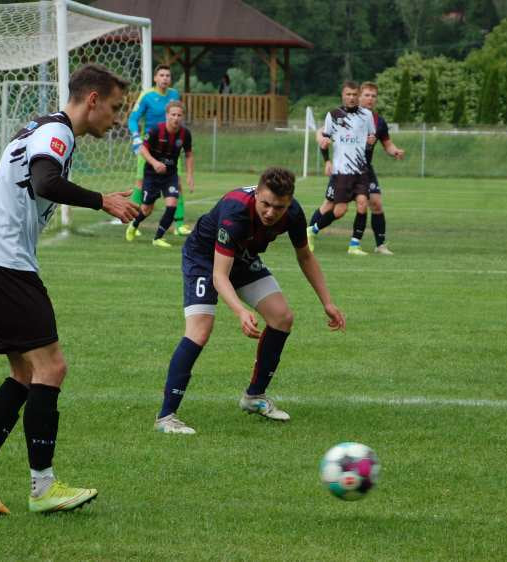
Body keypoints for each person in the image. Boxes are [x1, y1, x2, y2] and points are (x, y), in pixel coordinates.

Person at [0, 65, 139, 515]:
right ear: (91, 99)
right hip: (5, 263)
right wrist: (103, 200)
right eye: (114, 109)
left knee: (25, 373)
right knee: (51, 367)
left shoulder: (35, 127)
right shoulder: (57, 133)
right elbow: (45, 183)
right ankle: (43, 488)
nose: (115, 120)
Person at [154, 167, 346, 435]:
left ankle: (254, 397)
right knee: (200, 329)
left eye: (278, 207)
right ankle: (166, 417)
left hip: (242, 257)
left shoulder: (293, 213)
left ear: (288, 203)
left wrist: (327, 302)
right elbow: (220, 275)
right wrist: (240, 311)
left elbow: (305, 256)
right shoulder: (235, 211)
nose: (270, 212)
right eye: (265, 204)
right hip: (204, 258)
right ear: (257, 194)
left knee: (282, 317)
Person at [313, 82, 405, 255]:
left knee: (375, 203)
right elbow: (323, 131)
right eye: (367, 95)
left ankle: (378, 245)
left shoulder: (377, 120)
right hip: (343, 168)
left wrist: (395, 151)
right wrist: (321, 140)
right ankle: (309, 233)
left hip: (364, 168)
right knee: (330, 206)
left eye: (373, 96)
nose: (370, 99)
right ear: (359, 96)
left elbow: (387, 144)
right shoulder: (341, 114)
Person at [305, 81, 376, 255]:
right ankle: (312, 230)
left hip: (361, 170)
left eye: (354, 94)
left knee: (362, 205)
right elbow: (324, 141)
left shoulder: (367, 115)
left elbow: (370, 139)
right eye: (348, 94)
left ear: (358, 96)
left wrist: (370, 143)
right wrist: (327, 161)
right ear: (343, 95)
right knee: (339, 210)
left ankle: (354, 245)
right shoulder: (334, 115)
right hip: (342, 171)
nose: (351, 98)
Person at [127, 64, 192, 235]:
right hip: (149, 147)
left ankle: (179, 226)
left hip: (170, 148)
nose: (165, 78)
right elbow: (133, 119)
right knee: (141, 182)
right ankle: (132, 220)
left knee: (176, 183)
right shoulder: (147, 95)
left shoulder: (174, 95)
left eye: (168, 75)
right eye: (161, 75)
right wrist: (135, 137)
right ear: (155, 78)